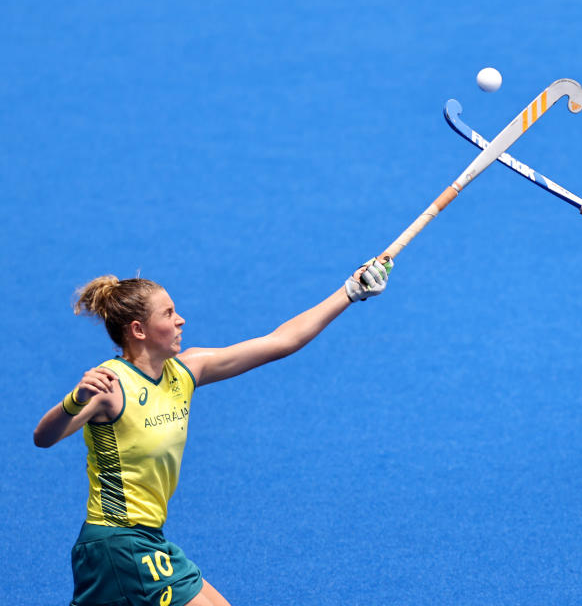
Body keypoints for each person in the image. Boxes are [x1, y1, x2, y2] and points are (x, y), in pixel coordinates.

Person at [33, 258, 392, 606]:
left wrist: (349, 291)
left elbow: (282, 341)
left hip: (147, 540)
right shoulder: (112, 386)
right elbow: (44, 437)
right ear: (138, 330)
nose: (181, 320)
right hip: (118, 543)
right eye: (169, 314)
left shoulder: (187, 370)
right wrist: (75, 400)